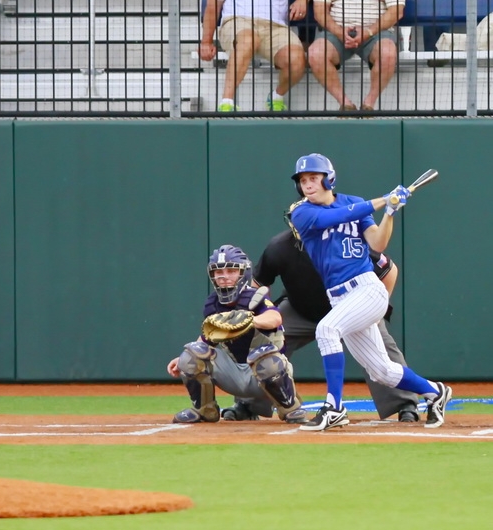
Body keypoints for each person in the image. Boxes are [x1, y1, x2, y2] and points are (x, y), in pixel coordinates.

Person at [287, 153, 452, 431]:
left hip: (366, 289)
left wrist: (390, 212)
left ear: (329, 179)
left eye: (314, 178)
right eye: (303, 180)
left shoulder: (353, 201)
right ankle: (436, 392)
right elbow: (341, 216)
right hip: (339, 297)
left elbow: (377, 243)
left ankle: (334, 408)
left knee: (326, 330)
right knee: (382, 371)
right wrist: (382, 200)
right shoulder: (302, 212)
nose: (308, 185)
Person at [250, 213, 419, 423]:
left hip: (351, 309)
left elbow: (388, 270)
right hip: (300, 309)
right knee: (263, 339)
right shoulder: (279, 247)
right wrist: (256, 313)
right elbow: (257, 286)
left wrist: (378, 309)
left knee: (382, 348)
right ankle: (248, 404)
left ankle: (405, 405)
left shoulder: (346, 240)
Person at [167, 244, 307, 424]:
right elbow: (207, 338)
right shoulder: (212, 304)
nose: (224, 276)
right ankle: (204, 410)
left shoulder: (255, 297)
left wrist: (250, 320)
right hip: (233, 371)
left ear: (243, 273)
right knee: (191, 353)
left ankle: (290, 409)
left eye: (231, 271)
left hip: (266, 374)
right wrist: (183, 360)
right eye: (218, 272)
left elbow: (275, 318)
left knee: (265, 356)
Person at [199, 0, 308, 111]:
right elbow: (213, 4)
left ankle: (276, 97)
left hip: (276, 25)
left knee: (297, 59)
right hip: (237, 20)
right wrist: (206, 42)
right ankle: (226, 103)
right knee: (248, 40)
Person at [307, 0, 405, 111]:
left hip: (377, 32)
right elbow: (320, 11)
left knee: (388, 53)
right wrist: (339, 32)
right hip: (336, 31)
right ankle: (345, 104)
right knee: (315, 54)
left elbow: (396, 11)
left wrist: (368, 32)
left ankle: (369, 105)